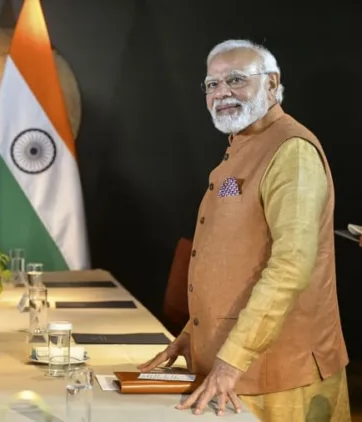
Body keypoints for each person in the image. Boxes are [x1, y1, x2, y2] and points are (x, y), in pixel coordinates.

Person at [139, 39, 351, 421]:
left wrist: (232, 361)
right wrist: (191, 334)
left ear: (272, 83)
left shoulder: (292, 151)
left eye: (236, 79)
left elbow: (291, 266)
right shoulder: (243, 145)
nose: (222, 92)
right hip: (233, 371)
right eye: (212, 84)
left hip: (279, 375)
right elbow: (235, 255)